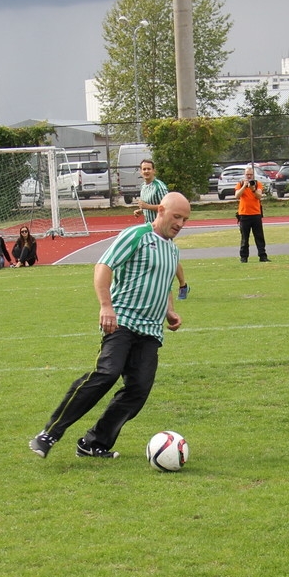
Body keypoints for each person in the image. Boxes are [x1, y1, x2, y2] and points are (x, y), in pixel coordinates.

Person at [29, 192, 191, 460]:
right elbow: (103, 266)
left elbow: (164, 284)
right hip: (123, 322)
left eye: (185, 219)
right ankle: (49, 433)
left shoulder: (173, 250)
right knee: (106, 373)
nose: (180, 224)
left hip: (151, 331)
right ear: (160, 211)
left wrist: (170, 311)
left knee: (138, 390)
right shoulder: (136, 236)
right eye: (177, 217)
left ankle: (94, 443)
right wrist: (106, 306)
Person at [133, 159, 189, 297]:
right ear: (141, 171)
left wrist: (146, 206)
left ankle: (183, 285)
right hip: (150, 229)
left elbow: (167, 207)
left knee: (170, 256)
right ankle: (154, 287)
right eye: (144, 169)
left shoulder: (159, 186)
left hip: (163, 228)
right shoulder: (144, 186)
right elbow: (149, 205)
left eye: (148, 169)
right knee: (152, 257)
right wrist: (141, 211)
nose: (146, 171)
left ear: (154, 170)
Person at [235, 165, 269, 262]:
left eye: (250, 175)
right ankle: (244, 257)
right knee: (244, 238)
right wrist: (244, 186)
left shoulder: (257, 184)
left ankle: (263, 256)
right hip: (244, 214)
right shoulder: (240, 183)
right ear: (244, 175)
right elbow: (237, 196)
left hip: (256, 214)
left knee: (259, 237)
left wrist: (252, 188)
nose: (249, 176)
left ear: (253, 175)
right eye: (247, 174)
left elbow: (259, 196)